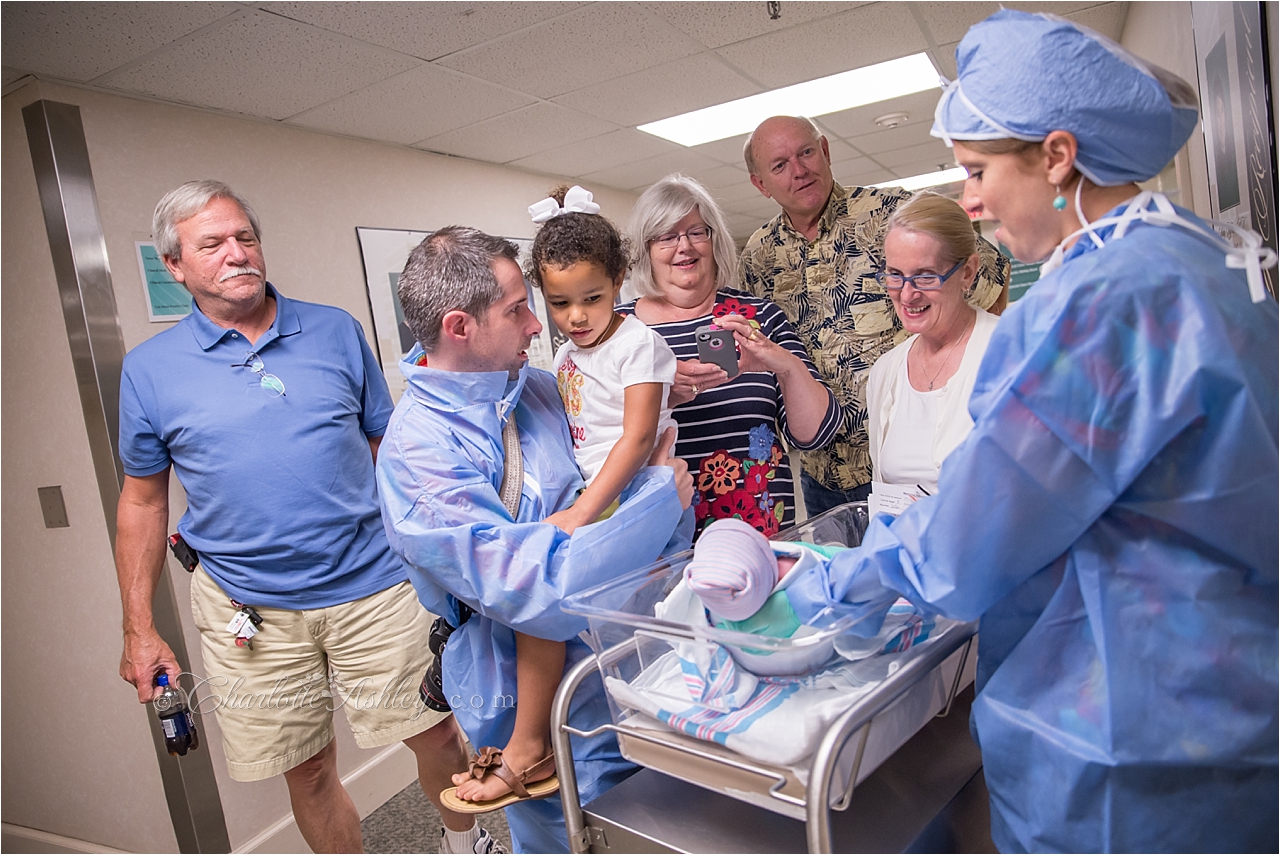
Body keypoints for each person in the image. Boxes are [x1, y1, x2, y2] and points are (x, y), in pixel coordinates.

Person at [780, 10, 1278, 851]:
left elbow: (970, 535)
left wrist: (818, 586)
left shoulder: (1098, 302)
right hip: (1232, 698)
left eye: (977, 169)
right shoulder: (1207, 256)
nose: (969, 199)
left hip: (1124, 734)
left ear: (1056, 156)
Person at [115, 181, 498, 854]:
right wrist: (141, 628)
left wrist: (445, 553)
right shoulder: (149, 371)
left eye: (246, 237)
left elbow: (392, 449)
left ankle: (464, 845)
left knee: (435, 731)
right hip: (249, 608)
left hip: (374, 585)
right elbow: (142, 500)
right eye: (213, 244)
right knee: (310, 765)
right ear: (174, 265)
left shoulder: (332, 329)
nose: (237, 253)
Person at [376, 226, 694, 853]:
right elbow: (538, 589)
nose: (536, 326)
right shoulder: (420, 456)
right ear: (459, 326)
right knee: (572, 833)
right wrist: (660, 496)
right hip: (542, 707)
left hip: (635, 666)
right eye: (519, 308)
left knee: (661, 825)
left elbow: (617, 447)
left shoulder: (540, 390)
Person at [440, 187, 676, 813]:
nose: (575, 316)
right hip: (595, 493)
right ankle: (539, 742)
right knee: (558, 614)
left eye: (592, 299)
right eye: (560, 302)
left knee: (547, 599)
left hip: (624, 494)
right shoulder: (569, 354)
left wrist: (581, 510)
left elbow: (637, 436)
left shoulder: (637, 345)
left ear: (621, 280)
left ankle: (532, 744)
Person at [739, 115, 1010, 516]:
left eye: (807, 152)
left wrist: (959, 358)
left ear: (826, 151)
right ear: (760, 184)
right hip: (821, 473)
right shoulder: (758, 257)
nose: (799, 171)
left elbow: (990, 276)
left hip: (907, 460)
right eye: (780, 165)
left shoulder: (892, 214)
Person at [620, 173, 841, 537]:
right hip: (660, 536)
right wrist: (660, 398)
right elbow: (595, 439)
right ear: (646, 249)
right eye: (666, 236)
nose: (684, 247)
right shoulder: (621, 332)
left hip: (761, 532)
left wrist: (783, 366)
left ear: (714, 238)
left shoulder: (760, 318)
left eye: (696, 232)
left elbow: (814, 435)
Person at [866, 192, 999, 512]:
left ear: (967, 271)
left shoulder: (1008, 351)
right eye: (895, 275)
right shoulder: (887, 371)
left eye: (925, 276)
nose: (907, 294)